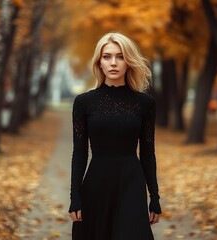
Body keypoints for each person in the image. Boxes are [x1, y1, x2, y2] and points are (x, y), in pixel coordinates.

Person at [68, 32, 162, 240]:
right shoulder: (84, 103)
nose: (113, 63)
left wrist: (154, 197)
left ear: (128, 62)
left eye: (120, 56)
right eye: (107, 56)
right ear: (99, 62)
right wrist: (75, 197)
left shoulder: (145, 103)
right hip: (96, 184)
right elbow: (80, 153)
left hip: (131, 183)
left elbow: (148, 153)